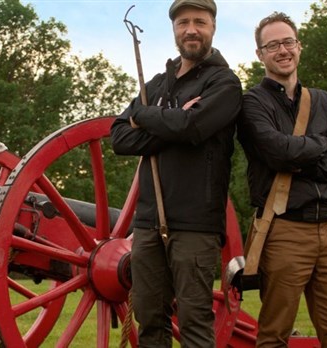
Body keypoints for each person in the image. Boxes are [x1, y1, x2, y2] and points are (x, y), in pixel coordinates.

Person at [110, 0, 242, 346]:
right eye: (183, 22)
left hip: (196, 222)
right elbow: (120, 137)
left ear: (213, 27)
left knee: (194, 319)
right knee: (150, 319)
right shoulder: (156, 86)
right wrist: (171, 123)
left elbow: (193, 127)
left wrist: (146, 117)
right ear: (174, 30)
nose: (191, 29)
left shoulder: (224, 84)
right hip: (148, 221)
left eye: (200, 21)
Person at [237, 11, 327, 347]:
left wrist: (306, 161)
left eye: (287, 42)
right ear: (260, 54)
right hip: (284, 230)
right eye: (272, 45)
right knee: (274, 335)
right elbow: (277, 152)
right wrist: (322, 144)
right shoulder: (251, 103)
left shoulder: (323, 101)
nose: (282, 50)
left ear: (299, 46)